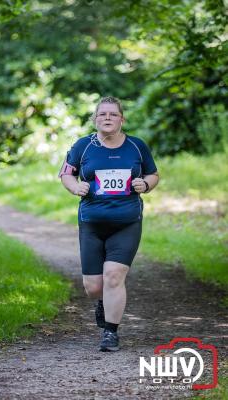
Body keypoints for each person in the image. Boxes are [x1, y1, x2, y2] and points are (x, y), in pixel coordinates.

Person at [59, 96, 159, 351]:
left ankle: (110, 333)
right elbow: (66, 174)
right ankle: (102, 301)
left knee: (114, 276)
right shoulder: (83, 146)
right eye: (102, 114)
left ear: (121, 119)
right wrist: (75, 187)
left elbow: (153, 174)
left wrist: (145, 184)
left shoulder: (137, 146)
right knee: (93, 287)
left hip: (127, 222)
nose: (107, 118)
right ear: (95, 119)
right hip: (91, 223)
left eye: (113, 114)